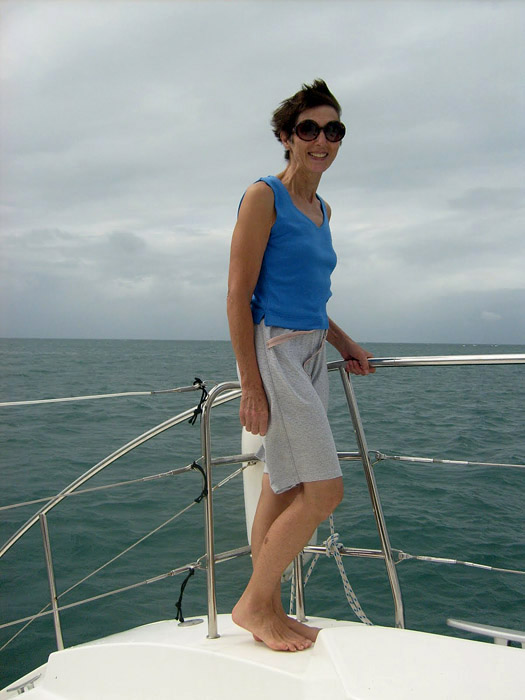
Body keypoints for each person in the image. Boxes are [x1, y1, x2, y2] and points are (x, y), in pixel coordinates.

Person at [227, 79, 375, 652]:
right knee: (324, 491)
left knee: (282, 484)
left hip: (311, 349)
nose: (321, 140)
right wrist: (251, 384)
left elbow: (312, 297)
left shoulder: (322, 209)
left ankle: (268, 607)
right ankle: (253, 604)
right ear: (287, 137)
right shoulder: (263, 195)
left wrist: (343, 341)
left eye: (332, 130)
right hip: (276, 351)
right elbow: (239, 295)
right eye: (308, 129)